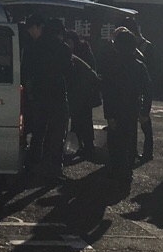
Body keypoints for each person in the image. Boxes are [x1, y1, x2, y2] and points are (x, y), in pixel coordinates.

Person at [21, 14, 71, 182]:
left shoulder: (35, 46)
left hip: (39, 96)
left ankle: (33, 166)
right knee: (57, 135)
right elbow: (68, 72)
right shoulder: (63, 48)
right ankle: (54, 169)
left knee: (38, 134)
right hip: (58, 96)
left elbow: (27, 71)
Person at [99, 27, 152, 182]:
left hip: (116, 110)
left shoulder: (112, 66)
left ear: (116, 46)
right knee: (130, 140)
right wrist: (144, 111)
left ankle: (117, 172)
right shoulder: (139, 66)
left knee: (115, 143)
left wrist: (108, 114)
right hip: (132, 109)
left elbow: (108, 93)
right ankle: (127, 171)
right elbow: (148, 90)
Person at [63, 30, 102, 161]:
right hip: (78, 94)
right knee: (78, 121)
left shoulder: (82, 53)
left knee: (84, 121)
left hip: (85, 94)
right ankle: (80, 147)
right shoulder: (79, 52)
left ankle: (87, 147)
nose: (68, 45)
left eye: (69, 42)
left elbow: (90, 74)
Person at [131, 24, 156, 162]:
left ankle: (147, 152)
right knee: (134, 125)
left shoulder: (146, 46)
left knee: (144, 121)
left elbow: (151, 69)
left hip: (141, 88)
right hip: (137, 88)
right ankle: (134, 151)